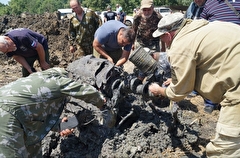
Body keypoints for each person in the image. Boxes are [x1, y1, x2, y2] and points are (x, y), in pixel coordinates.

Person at [148, 12, 240, 157]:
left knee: (225, 150)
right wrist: (180, 77)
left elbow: (179, 93)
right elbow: (208, 59)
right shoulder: (200, 28)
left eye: (162, 36)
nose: (162, 40)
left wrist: (161, 91)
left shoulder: (180, 46)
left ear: (169, 34)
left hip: (237, 90)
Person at [0, 67, 105, 157]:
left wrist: (58, 125)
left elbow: (34, 110)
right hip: (5, 115)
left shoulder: (36, 80)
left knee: (34, 145)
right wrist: (102, 103)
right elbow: (86, 91)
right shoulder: (56, 81)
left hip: (19, 116)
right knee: (11, 153)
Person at [132, 0, 165, 81]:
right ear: (141, 9)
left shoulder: (158, 17)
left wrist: (163, 47)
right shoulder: (137, 17)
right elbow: (134, 30)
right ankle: (137, 82)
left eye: (149, 9)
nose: (146, 12)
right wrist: (132, 43)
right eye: (144, 10)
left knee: (154, 64)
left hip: (154, 43)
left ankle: (152, 82)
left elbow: (162, 33)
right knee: (138, 63)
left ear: (153, 8)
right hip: (141, 43)